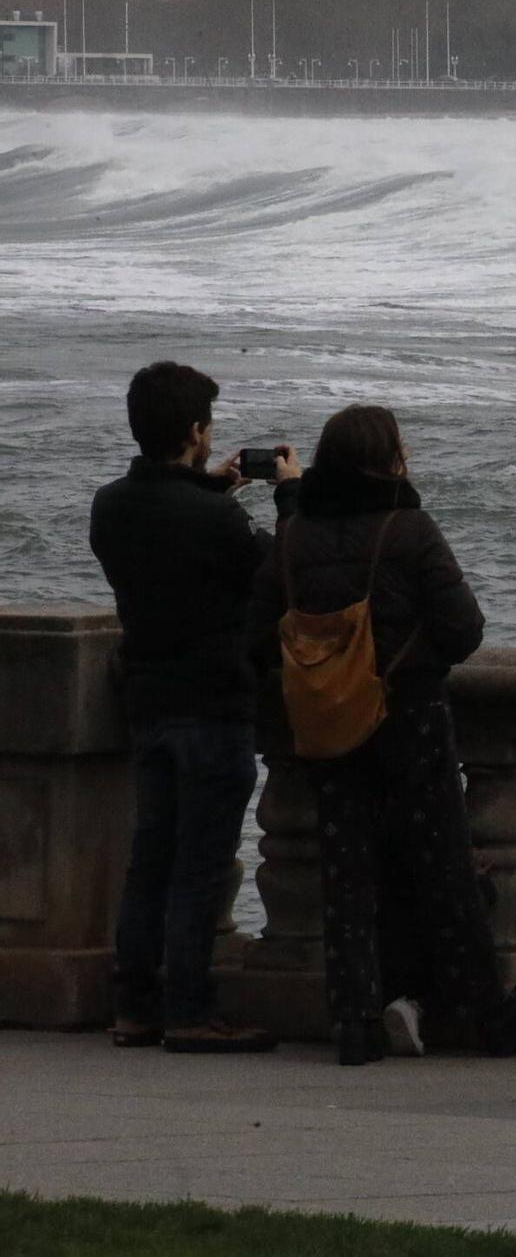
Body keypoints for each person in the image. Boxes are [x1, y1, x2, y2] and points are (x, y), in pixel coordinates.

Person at [248, 404, 516, 1066]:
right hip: (409, 720)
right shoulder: (408, 528)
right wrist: (404, 667)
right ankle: (488, 1017)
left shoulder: (294, 535)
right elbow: (463, 628)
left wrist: (325, 675)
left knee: (347, 872)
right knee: (443, 869)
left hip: (328, 725)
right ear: (389, 459)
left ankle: (353, 1021)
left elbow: (258, 633)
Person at [89, 361, 301, 1053]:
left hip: (146, 702)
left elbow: (168, 531)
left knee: (150, 858)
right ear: (197, 431)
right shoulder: (215, 520)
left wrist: (209, 487)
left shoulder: (111, 505)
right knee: (199, 865)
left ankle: (135, 1006)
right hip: (212, 705)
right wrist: (289, 496)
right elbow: (282, 571)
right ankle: (188, 1008)